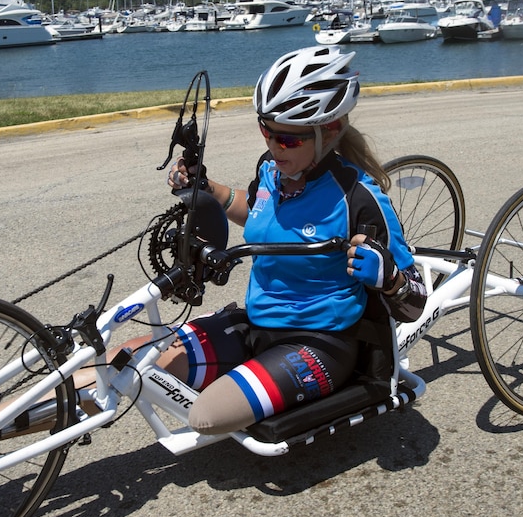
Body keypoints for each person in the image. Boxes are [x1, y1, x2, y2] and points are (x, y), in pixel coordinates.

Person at [160, 45, 427, 435]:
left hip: (320, 344)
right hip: (258, 324)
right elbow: (251, 211)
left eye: (287, 139)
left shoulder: (357, 199)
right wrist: (207, 188)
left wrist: (389, 278)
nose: (272, 146)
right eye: (266, 131)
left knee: (205, 416)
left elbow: (415, 300)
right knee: (136, 362)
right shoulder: (271, 173)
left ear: (329, 132)